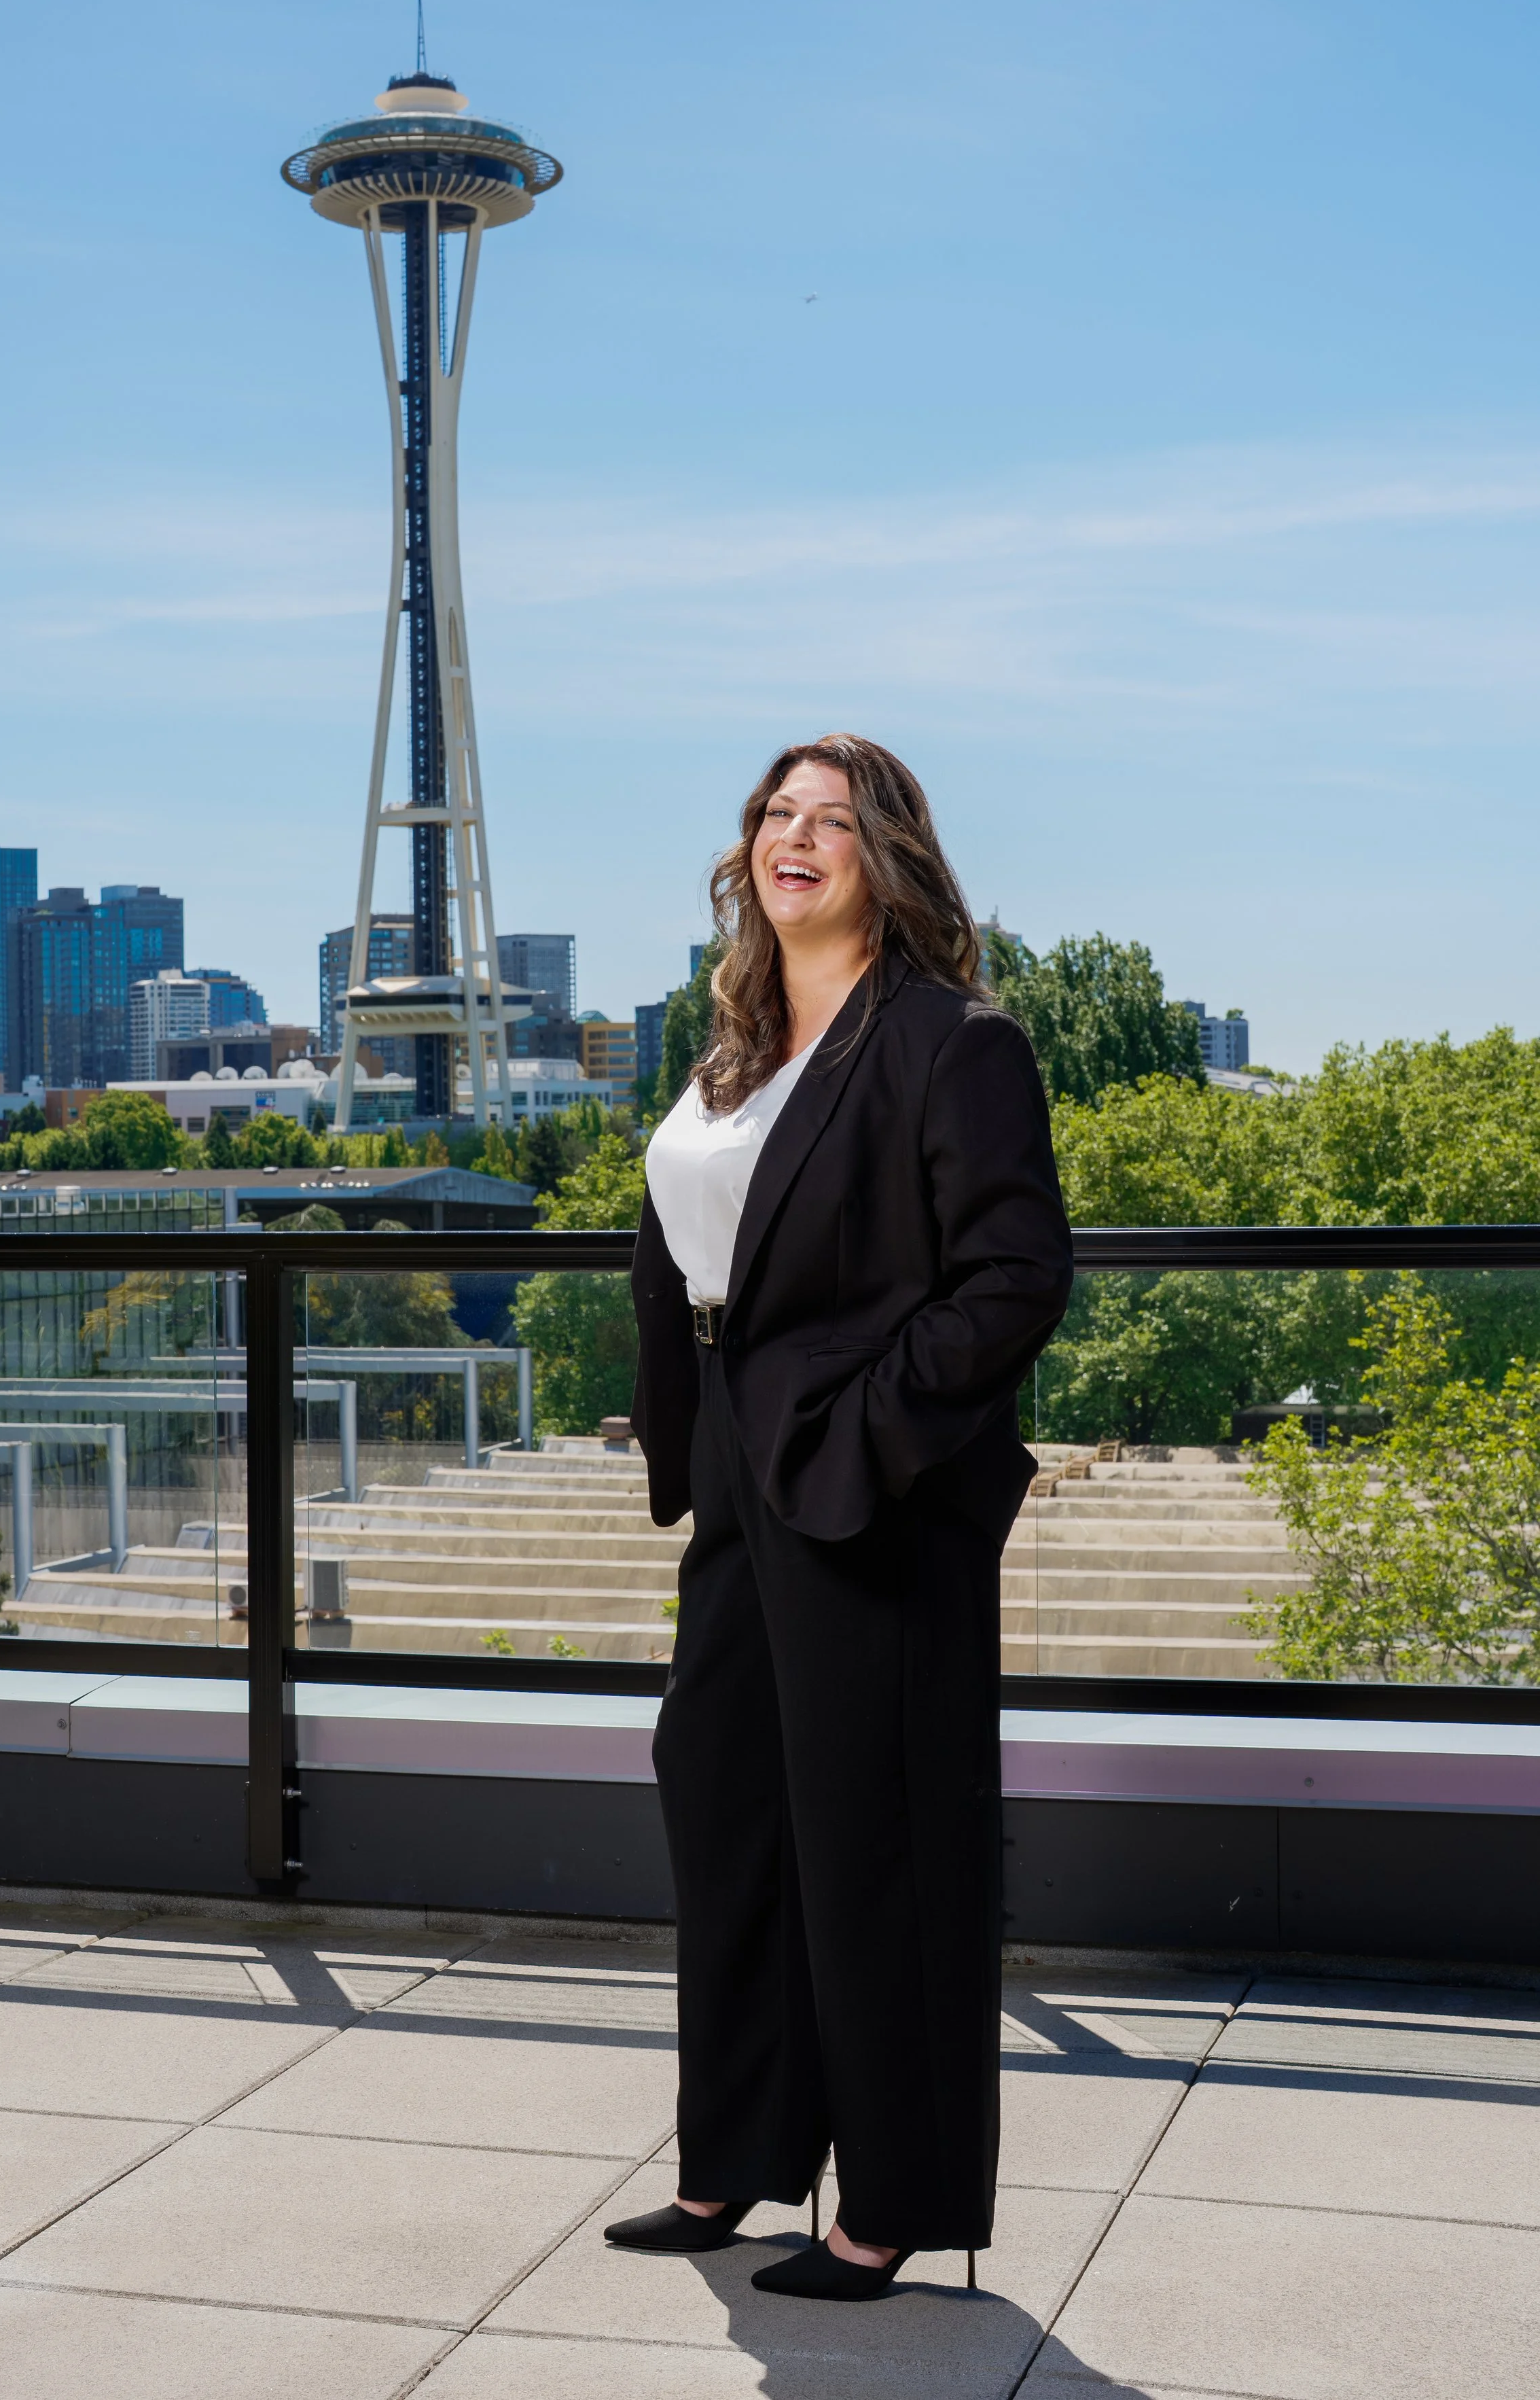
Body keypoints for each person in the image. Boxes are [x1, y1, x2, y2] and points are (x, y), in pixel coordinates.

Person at [605, 733, 1073, 2301]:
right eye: (770, 815)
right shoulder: (732, 1036)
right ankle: (735, 2162)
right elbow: (693, 1250)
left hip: (865, 1476)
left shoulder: (949, 1041)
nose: (790, 838)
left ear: (886, 855)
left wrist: (874, 1431)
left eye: (828, 819)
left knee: (876, 1845)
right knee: (726, 1802)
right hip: (740, 1460)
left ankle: (888, 2199)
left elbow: (1012, 1278)